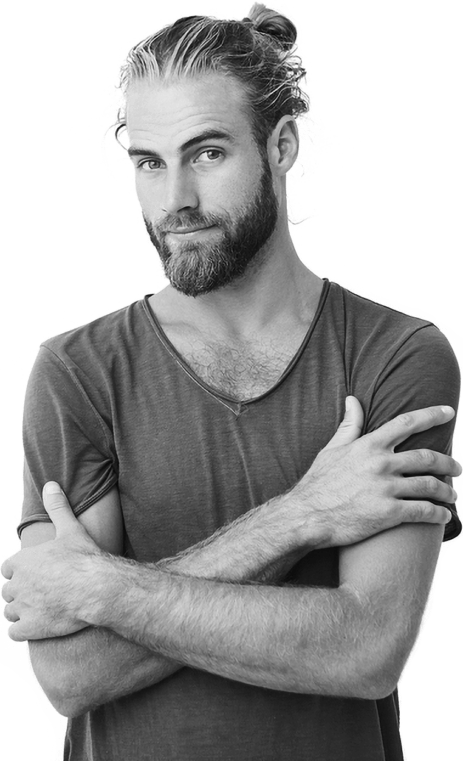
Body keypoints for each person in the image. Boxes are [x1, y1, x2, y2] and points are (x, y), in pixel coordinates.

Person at [1, 4, 461, 760]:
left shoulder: (394, 355)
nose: (174, 200)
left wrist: (105, 588)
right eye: (149, 162)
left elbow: (365, 648)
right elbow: (71, 672)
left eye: (206, 153)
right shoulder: (77, 372)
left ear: (281, 146)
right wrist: (301, 516)